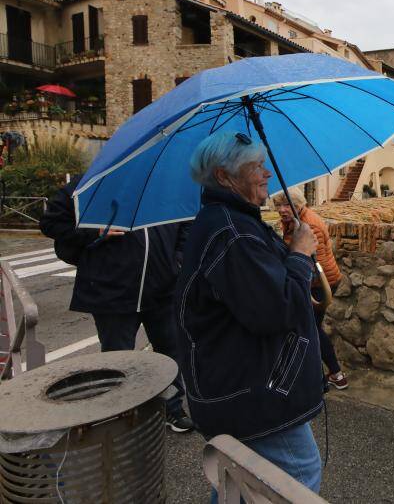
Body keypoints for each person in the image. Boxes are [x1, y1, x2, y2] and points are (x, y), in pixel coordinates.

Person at [176, 131, 325, 495]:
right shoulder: (233, 234)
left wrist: (289, 251)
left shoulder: (232, 221)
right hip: (252, 391)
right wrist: (301, 254)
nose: (266, 174)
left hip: (238, 384)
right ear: (224, 177)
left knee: (237, 476)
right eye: (255, 166)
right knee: (297, 478)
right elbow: (277, 309)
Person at [39, 175, 193, 433]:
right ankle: (121, 416)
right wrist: (94, 232)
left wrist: (177, 260)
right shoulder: (89, 184)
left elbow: (186, 223)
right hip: (112, 290)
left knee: (170, 352)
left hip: (161, 287)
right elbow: (51, 223)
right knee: (118, 358)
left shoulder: (162, 181)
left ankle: (172, 409)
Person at [273, 186, 348, 390]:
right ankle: (332, 374)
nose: (282, 209)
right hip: (319, 282)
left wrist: (301, 287)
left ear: (298, 204)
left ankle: (332, 375)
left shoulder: (306, 225)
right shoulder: (296, 221)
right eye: (278, 205)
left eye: (287, 204)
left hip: (317, 285)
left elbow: (316, 263)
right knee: (312, 328)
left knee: (311, 330)